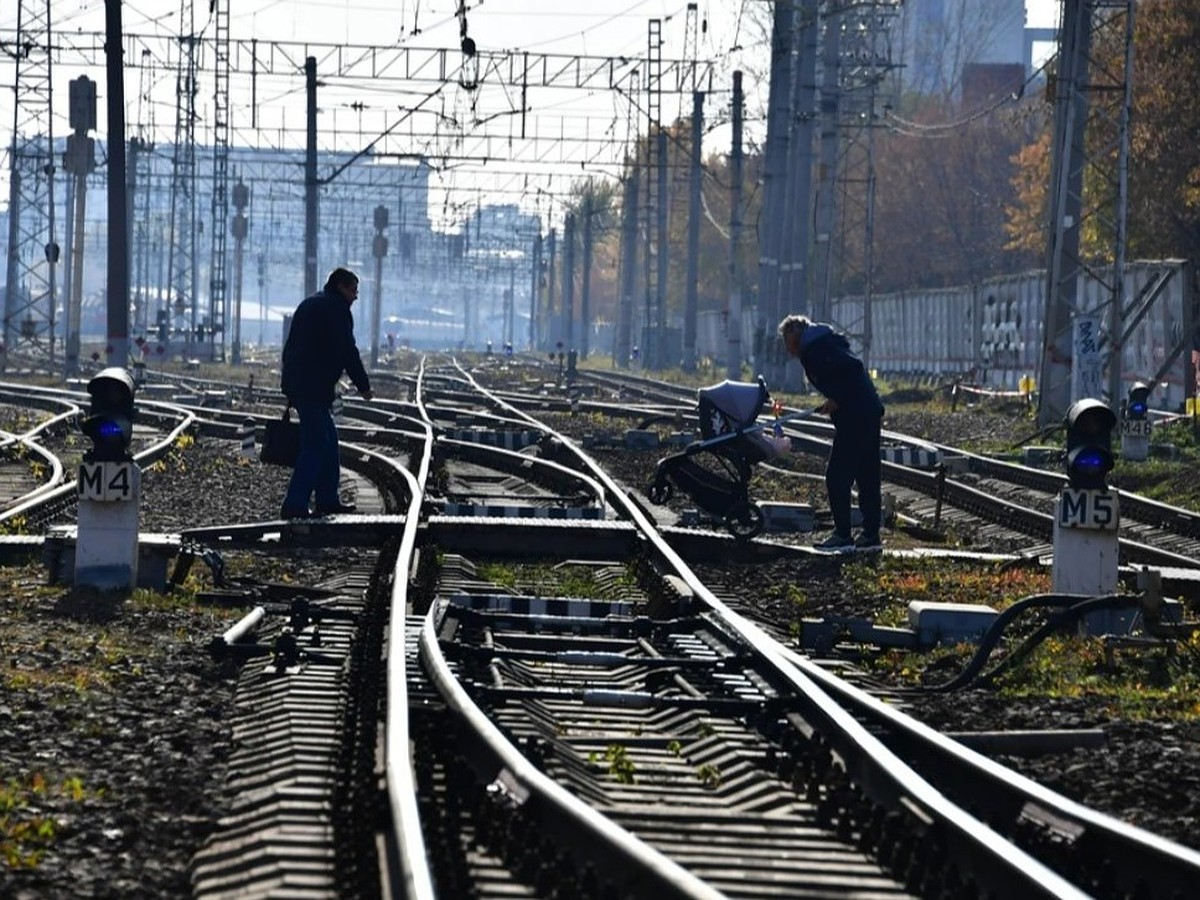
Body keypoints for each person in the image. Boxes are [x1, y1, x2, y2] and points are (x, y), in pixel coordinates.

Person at [778, 314, 884, 551]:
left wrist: (839, 397)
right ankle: (871, 537)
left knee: (836, 476)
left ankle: (843, 535)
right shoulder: (823, 343)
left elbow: (853, 369)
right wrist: (834, 399)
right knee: (867, 475)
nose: (787, 348)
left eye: (787, 341)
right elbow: (844, 375)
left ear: (796, 333)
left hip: (856, 417)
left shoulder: (817, 348)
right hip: (866, 412)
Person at [279, 267, 374, 518]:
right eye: (353, 290)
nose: (355, 296)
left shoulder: (310, 303)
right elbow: (347, 351)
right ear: (341, 287)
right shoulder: (336, 310)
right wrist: (363, 385)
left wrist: (290, 384)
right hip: (312, 387)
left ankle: (327, 500)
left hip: (303, 384)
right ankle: (295, 504)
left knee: (329, 443)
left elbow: (291, 346)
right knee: (316, 444)